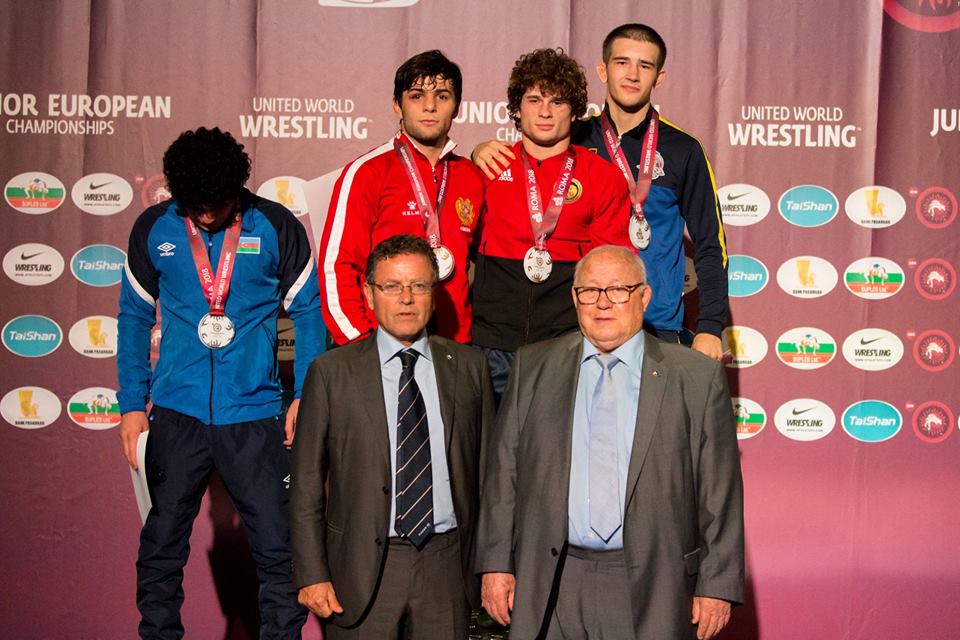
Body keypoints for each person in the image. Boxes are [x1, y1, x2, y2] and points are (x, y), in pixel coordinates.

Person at [117, 126, 325, 639]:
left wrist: (304, 394)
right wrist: (130, 404)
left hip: (255, 416)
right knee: (161, 545)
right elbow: (134, 318)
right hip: (176, 414)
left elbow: (309, 312)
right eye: (196, 206)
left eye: (218, 204)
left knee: (279, 548)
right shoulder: (154, 228)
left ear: (239, 186)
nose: (207, 215)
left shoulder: (275, 225)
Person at [476, 245, 743, 639]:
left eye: (618, 290)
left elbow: (718, 490)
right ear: (574, 298)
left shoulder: (695, 377)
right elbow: (504, 475)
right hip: (552, 578)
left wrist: (717, 584)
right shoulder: (533, 367)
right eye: (589, 291)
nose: (603, 303)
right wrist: (496, 564)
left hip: (653, 580)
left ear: (644, 297)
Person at [474, 24, 729, 360]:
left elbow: (711, 245)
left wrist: (710, 325)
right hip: (587, 327)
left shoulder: (684, 150)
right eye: (622, 62)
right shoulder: (573, 136)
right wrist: (481, 151)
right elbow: (530, 160)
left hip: (658, 323)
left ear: (660, 78)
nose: (633, 75)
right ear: (603, 70)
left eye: (645, 66)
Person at [291, 235, 494, 639]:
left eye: (418, 285)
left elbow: (490, 477)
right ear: (369, 294)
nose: (406, 298)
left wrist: (493, 565)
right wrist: (312, 574)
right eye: (392, 286)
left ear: (434, 295)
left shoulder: (469, 367)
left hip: (447, 565)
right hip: (361, 569)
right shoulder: (331, 373)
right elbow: (306, 486)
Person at [471, 47, 632, 396]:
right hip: (492, 345)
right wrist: (475, 152)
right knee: (492, 449)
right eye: (533, 100)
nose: (545, 112)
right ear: (516, 107)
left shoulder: (604, 179)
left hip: (567, 347)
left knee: (559, 450)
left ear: (574, 111)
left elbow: (608, 270)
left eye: (557, 102)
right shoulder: (487, 168)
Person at [319, 50, 484, 346]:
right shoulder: (367, 173)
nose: (430, 106)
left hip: (452, 351)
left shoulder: (471, 176)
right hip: (379, 348)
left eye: (443, 97)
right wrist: (361, 346)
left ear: (457, 107)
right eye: (417, 96)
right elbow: (338, 267)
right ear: (397, 105)